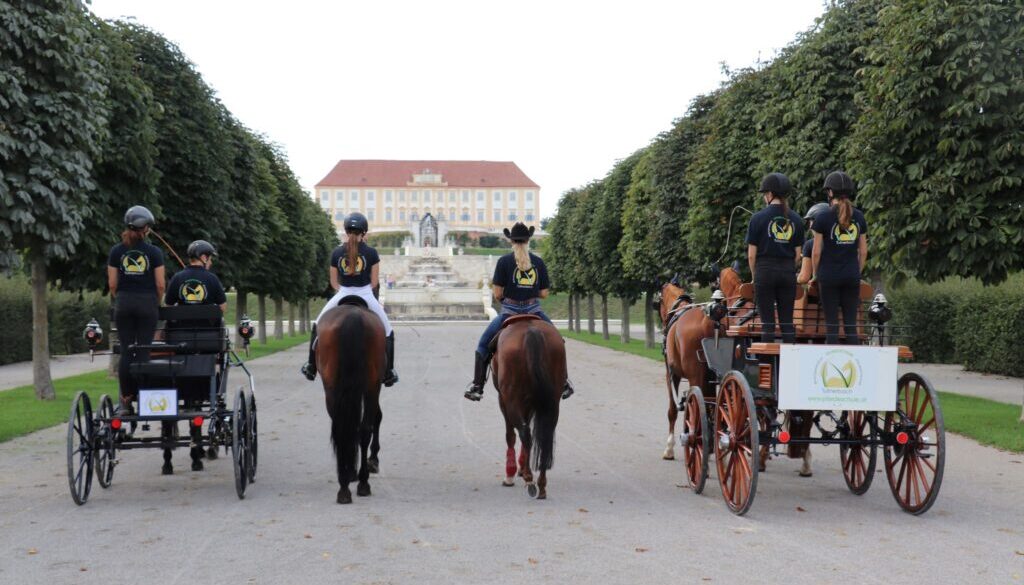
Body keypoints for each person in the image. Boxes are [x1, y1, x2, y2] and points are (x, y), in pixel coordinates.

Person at [464, 222, 574, 402]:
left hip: (510, 312)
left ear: (511, 242)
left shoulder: (504, 262)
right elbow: (544, 293)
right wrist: (529, 292)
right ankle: (563, 383)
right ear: (528, 241)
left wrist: (509, 297)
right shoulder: (538, 262)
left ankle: (477, 386)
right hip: (535, 311)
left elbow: (498, 292)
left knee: (483, 345)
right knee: (558, 341)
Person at [301, 212, 398, 386]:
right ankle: (389, 372)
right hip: (366, 294)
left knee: (317, 324)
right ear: (364, 232)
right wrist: (364, 290)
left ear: (346, 231)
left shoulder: (336, 252)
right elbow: (374, 282)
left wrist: (343, 289)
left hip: (343, 293)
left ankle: (311, 367)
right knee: (388, 330)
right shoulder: (372, 252)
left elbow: (333, 282)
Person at [107, 205, 165, 414]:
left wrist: (122, 299)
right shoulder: (154, 252)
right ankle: (144, 396)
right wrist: (153, 301)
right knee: (143, 351)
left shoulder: (116, 251)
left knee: (127, 350)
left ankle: (125, 399)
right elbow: (160, 285)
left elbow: (112, 284)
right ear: (146, 228)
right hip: (147, 304)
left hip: (123, 304)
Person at [746, 172, 805, 343]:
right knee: (787, 323)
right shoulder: (796, 219)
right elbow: (797, 255)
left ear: (770, 194)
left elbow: (751, 255)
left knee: (768, 324)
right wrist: (786, 267)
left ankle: (767, 363)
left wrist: (754, 275)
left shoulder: (757, 218)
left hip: (764, 271)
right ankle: (790, 363)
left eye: (765, 194)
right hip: (787, 272)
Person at [812, 171, 868, 345]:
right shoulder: (859, 217)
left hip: (828, 276)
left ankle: (831, 366)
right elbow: (864, 251)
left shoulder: (822, 217)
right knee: (851, 326)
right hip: (851, 275)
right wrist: (856, 272)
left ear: (830, 192)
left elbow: (815, 252)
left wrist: (815, 274)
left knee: (832, 325)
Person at [164, 240, 227, 312]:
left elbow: (168, 306)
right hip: (206, 323)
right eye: (209, 259)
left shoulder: (177, 278)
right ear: (203, 258)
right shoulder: (213, 279)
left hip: (182, 323)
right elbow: (222, 307)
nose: (211, 262)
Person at [797, 202, 830, 285]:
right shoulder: (843, 242)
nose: (810, 226)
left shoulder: (810, 244)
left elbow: (804, 278)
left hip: (824, 289)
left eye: (811, 221)